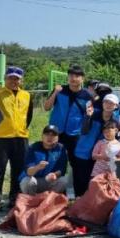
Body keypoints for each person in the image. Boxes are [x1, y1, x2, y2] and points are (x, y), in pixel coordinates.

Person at [0, 66, 34, 211]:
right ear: (5, 78)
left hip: (21, 137)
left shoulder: (27, 95)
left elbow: (28, 116)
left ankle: (15, 198)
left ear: (21, 80)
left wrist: (22, 128)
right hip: (1, 137)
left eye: (16, 78)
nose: (13, 81)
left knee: (19, 169)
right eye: (10, 77)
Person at [43, 64, 93, 192]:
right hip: (56, 132)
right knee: (52, 161)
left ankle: (78, 194)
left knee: (77, 164)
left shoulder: (87, 95)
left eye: (77, 76)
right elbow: (47, 107)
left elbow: (90, 115)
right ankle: (50, 192)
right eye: (71, 75)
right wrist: (55, 92)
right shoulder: (60, 91)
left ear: (82, 78)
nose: (73, 78)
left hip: (75, 134)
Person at [73, 93, 120, 196]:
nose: (108, 105)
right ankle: (79, 202)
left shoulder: (115, 122)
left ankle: (94, 205)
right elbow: (84, 131)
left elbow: (117, 140)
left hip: (100, 156)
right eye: (106, 102)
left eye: (111, 103)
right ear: (102, 103)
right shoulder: (93, 114)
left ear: (116, 106)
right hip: (83, 152)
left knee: (96, 180)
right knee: (81, 179)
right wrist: (88, 117)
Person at [19, 124, 69, 195]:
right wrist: (37, 167)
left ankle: (50, 200)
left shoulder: (61, 149)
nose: (49, 137)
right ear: (42, 136)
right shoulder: (33, 148)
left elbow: (62, 169)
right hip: (35, 181)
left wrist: (54, 175)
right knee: (26, 181)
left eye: (53, 135)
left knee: (64, 180)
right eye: (47, 134)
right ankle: (31, 200)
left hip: (49, 181)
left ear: (57, 138)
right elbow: (28, 172)